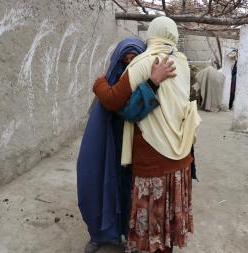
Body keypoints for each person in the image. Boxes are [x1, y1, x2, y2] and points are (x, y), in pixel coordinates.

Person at [93, 17, 200, 253]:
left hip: (153, 160)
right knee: (166, 225)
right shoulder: (182, 62)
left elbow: (112, 100)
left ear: (150, 34)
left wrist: (98, 83)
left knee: (153, 222)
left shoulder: (145, 63)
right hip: (181, 157)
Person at [77, 37, 176, 253]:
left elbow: (130, 110)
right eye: (125, 60)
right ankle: (99, 234)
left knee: (131, 196)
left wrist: (101, 87)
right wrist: (104, 88)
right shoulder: (111, 83)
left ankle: (129, 236)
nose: (128, 64)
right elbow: (110, 108)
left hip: (137, 151)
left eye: (134, 60)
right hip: (109, 146)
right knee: (98, 187)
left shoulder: (148, 81)